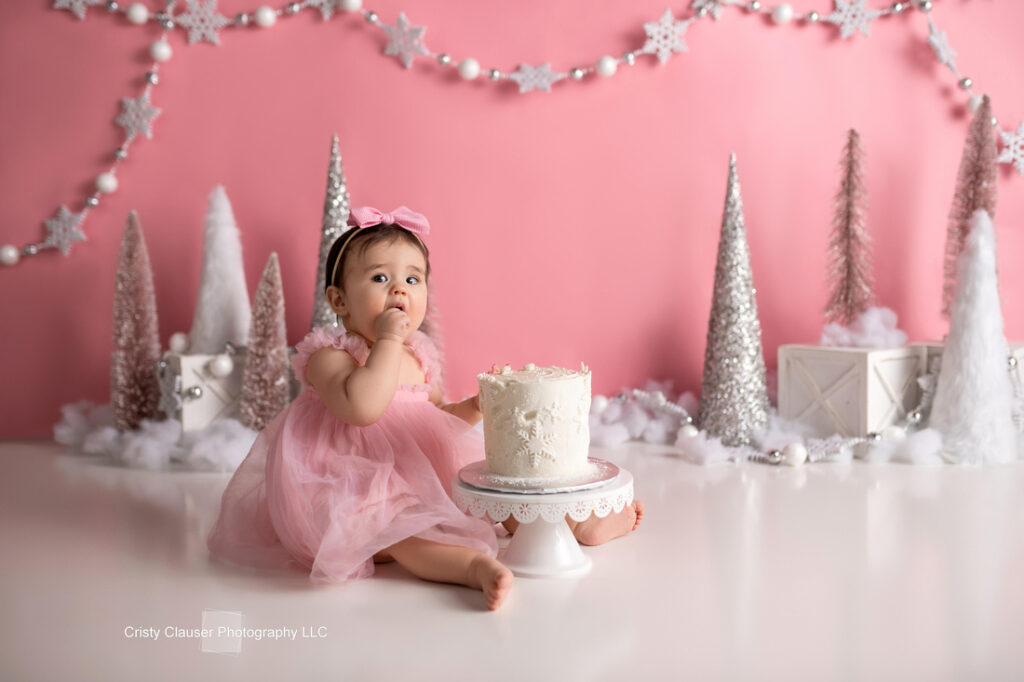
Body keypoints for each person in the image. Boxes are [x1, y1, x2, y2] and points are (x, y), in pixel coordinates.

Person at [208, 206, 639, 611]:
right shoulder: (331, 355)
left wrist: (474, 406)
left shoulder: (419, 355)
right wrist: (388, 343)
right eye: (379, 278)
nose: (399, 289)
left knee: (495, 499)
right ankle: (468, 568)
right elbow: (363, 408)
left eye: (413, 280)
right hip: (354, 479)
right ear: (339, 301)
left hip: (419, 468)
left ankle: (576, 525)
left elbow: (435, 421)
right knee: (396, 534)